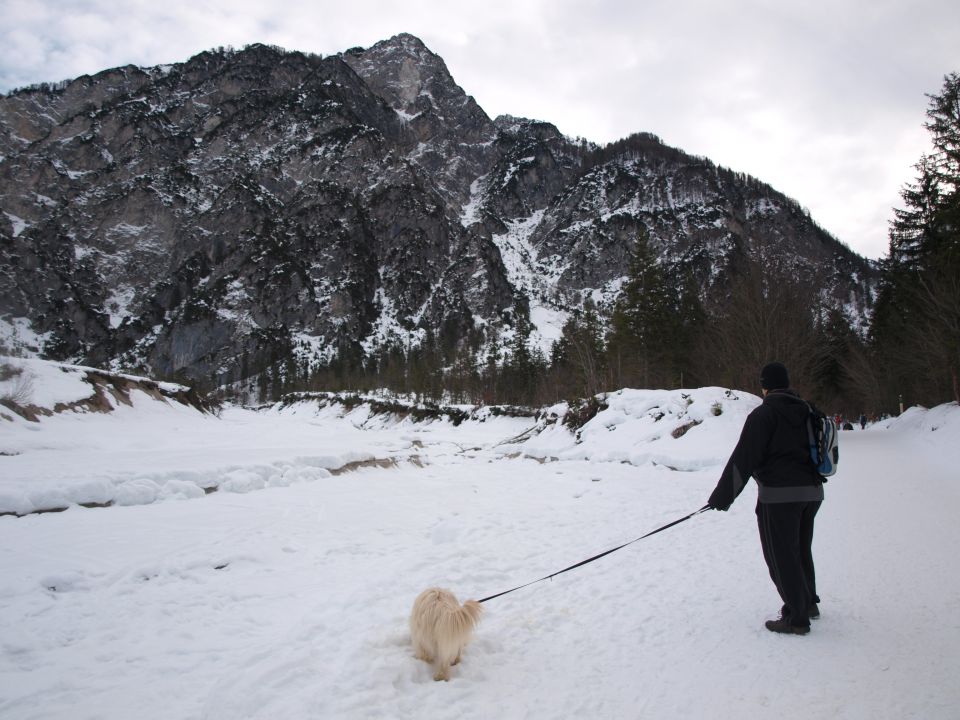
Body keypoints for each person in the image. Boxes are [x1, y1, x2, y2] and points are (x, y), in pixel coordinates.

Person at [707, 362, 824, 635]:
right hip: (813, 493)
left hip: (779, 497)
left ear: (765, 386)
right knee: (800, 550)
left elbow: (744, 459)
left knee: (781, 556)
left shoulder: (764, 414)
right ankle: (808, 604)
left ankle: (796, 617)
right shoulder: (808, 410)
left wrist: (721, 498)